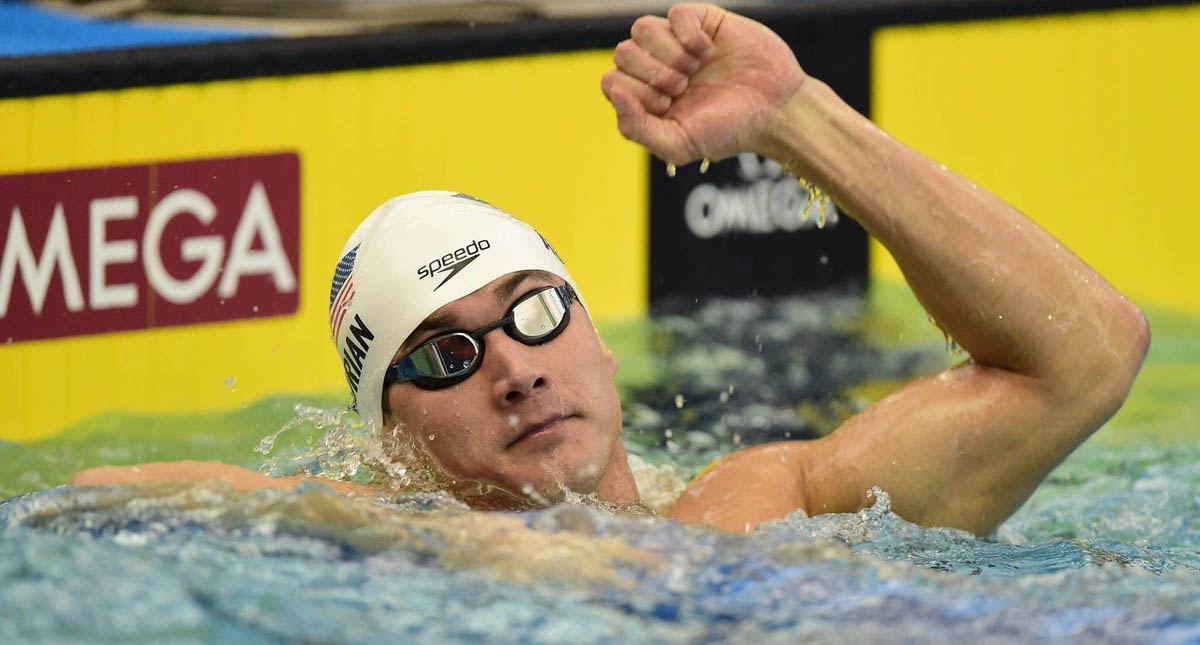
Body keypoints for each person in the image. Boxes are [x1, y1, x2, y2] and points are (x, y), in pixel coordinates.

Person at [72, 3, 1149, 536]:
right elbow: (86, 497)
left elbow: (1091, 356)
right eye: (447, 354)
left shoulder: (769, 503)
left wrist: (796, 120)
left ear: (590, 326)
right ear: (390, 441)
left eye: (534, 311)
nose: (517, 370)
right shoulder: (398, 553)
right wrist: (370, 522)